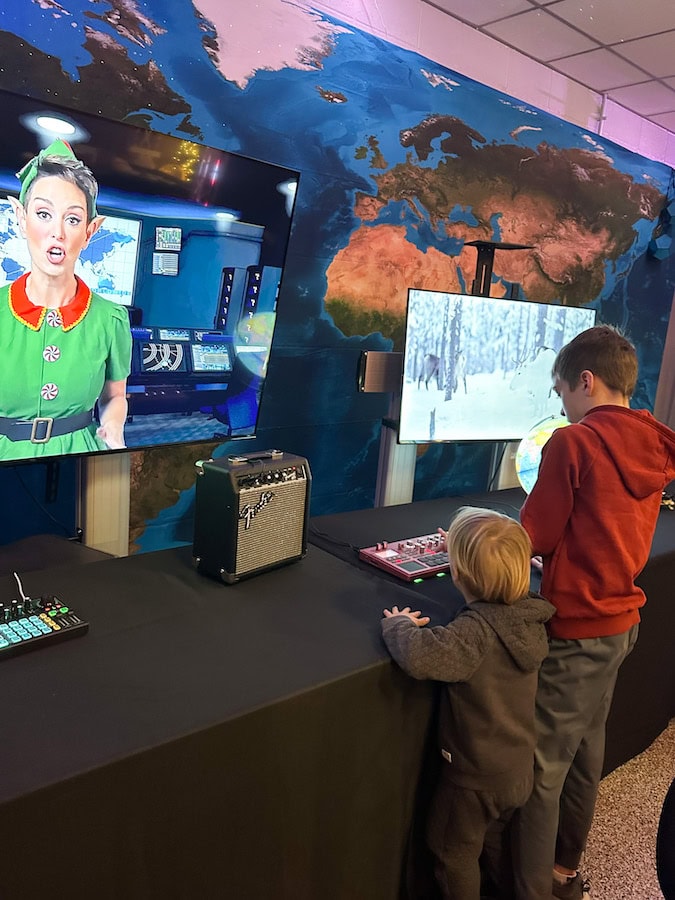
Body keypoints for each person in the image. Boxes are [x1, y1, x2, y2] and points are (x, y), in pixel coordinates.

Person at [513, 324, 675, 900]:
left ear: (585, 380)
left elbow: (535, 534)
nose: (564, 409)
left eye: (561, 396)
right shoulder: (654, 443)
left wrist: (479, 541)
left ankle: (531, 889)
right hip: (622, 623)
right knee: (585, 753)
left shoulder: (572, 443)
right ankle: (564, 869)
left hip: (578, 627)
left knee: (539, 770)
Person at [381, 507, 554, 900]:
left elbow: (421, 657)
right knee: (495, 842)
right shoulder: (531, 615)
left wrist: (398, 625)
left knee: (452, 851)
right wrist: (464, 547)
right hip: (519, 768)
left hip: (473, 780)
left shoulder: (474, 633)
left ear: (455, 574)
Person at [0, 139, 132, 460]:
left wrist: (112, 428)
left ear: (90, 231)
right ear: (20, 217)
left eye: (72, 219)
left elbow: (115, 396)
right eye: (44, 213)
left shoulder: (110, 318)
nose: (57, 232)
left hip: (80, 458)